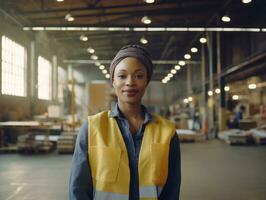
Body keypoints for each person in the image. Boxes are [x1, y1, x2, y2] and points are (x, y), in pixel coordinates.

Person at [69, 45, 181, 200]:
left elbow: (171, 190)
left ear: (147, 81)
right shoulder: (92, 129)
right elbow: (78, 189)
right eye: (122, 76)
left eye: (139, 76)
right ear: (113, 81)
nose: (130, 82)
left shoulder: (167, 132)